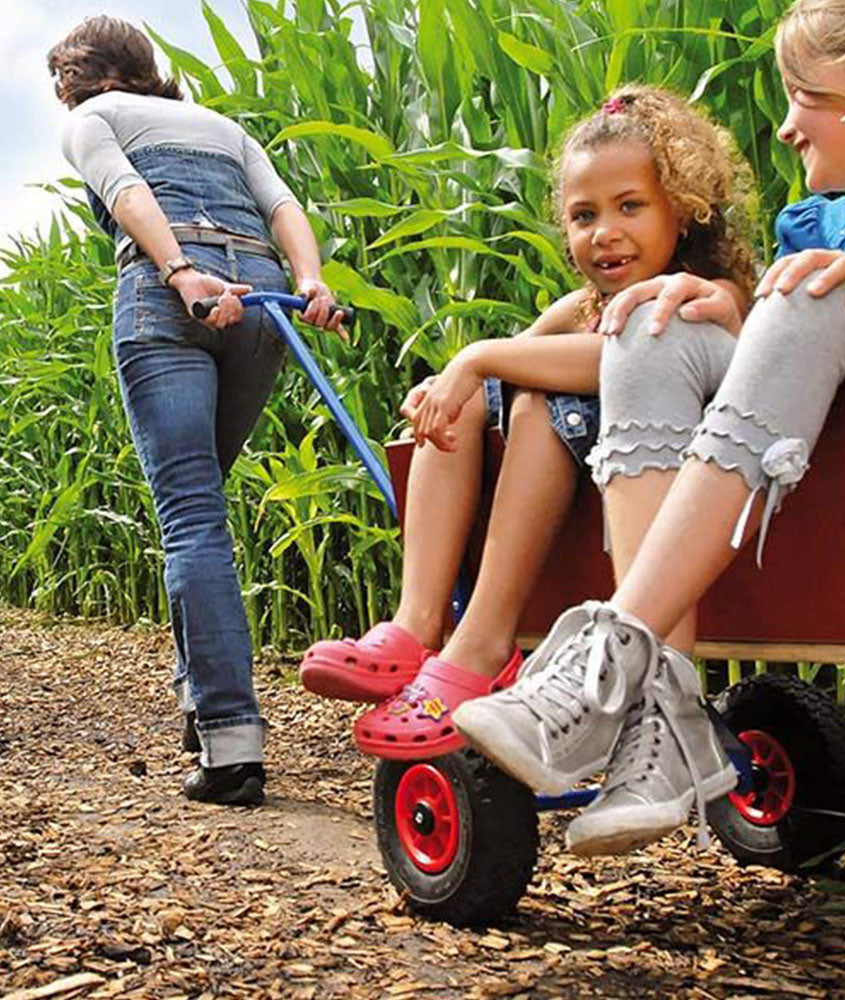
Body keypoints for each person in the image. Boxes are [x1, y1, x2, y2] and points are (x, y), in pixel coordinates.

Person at [453, 0, 845, 857]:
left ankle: (613, 664)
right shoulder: (821, 222)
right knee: (656, 322)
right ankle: (664, 717)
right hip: (791, 412)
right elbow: (764, 346)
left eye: (801, 92)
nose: (788, 123)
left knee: (807, 296)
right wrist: (728, 307)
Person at [301, 85, 756, 762]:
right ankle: (415, 623)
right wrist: (454, 382)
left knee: (539, 402)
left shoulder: (705, 296)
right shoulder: (580, 306)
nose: (604, 232)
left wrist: (477, 354)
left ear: (684, 210)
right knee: (475, 398)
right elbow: (519, 362)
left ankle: (482, 642)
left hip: (673, 502)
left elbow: (615, 360)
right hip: (590, 502)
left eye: (630, 206)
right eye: (582, 215)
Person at [49, 16, 346, 805]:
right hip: (262, 305)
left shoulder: (93, 118)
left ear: (80, 77)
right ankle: (198, 697)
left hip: (171, 302)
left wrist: (180, 271)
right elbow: (283, 209)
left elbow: (126, 191)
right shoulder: (222, 125)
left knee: (191, 519)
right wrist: (312, 280)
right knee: (202, 506)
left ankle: (229, 743)